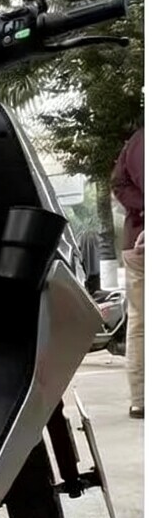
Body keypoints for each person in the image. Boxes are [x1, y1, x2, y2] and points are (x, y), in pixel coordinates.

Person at [111, 127, 144, 418]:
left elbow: (118, 182)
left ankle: (140, 398)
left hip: (135, 241)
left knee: (139, 323)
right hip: (141, 242)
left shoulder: (136, 141)